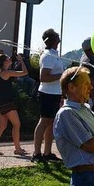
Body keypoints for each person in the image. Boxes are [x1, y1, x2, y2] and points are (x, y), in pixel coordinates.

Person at [32, 29, 64, 163]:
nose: (59, 37)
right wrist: (63, 76)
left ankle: (47, 153)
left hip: (55, 93)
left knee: (50, 123)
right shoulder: (48, 56)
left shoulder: (54, 54)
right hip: (47, 94)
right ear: (52, 40)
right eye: (56, 35)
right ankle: (37, 153)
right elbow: (43, 77)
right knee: (44, 122)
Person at [0, 53, 28, 155]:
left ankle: (18, 148)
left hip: (0, 102)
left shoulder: (0, 72)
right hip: (7, 102)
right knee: (17, 124)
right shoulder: (7, 73)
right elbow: (25, 72)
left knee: (2, 126)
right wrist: (21, 61)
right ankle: (17, 149)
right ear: (4, 62)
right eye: (7, 58)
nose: (9, 58)